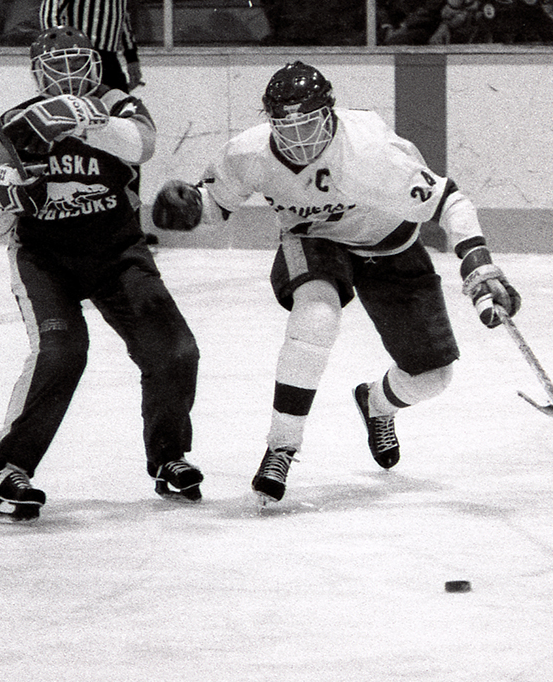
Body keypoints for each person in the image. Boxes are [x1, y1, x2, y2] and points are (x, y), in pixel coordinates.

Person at [150, 60, 521, 505]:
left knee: (433, 377)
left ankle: (378, 403)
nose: (298, 138)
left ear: (329, 113)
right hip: (314, 241)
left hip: (392, 246)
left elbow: (450, 201)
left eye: (307, 123)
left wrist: (479, 266)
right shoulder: (249, 152)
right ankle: (281, 446)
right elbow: (216, 202)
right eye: (285, 125)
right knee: (317, 315)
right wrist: (193, 208)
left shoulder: (370, 150)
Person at [0, 26, 202, 521]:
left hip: (116, 252)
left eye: (81, 63)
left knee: (174, 350)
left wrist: (82, 120)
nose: (72, 75)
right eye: (58, 66)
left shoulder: (119, 107)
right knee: (62, 352)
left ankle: (169, 458)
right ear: (38, 74)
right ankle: (9, 468)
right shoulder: (14, 123)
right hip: (44, 259)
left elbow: (142, 145)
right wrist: (5, 190)